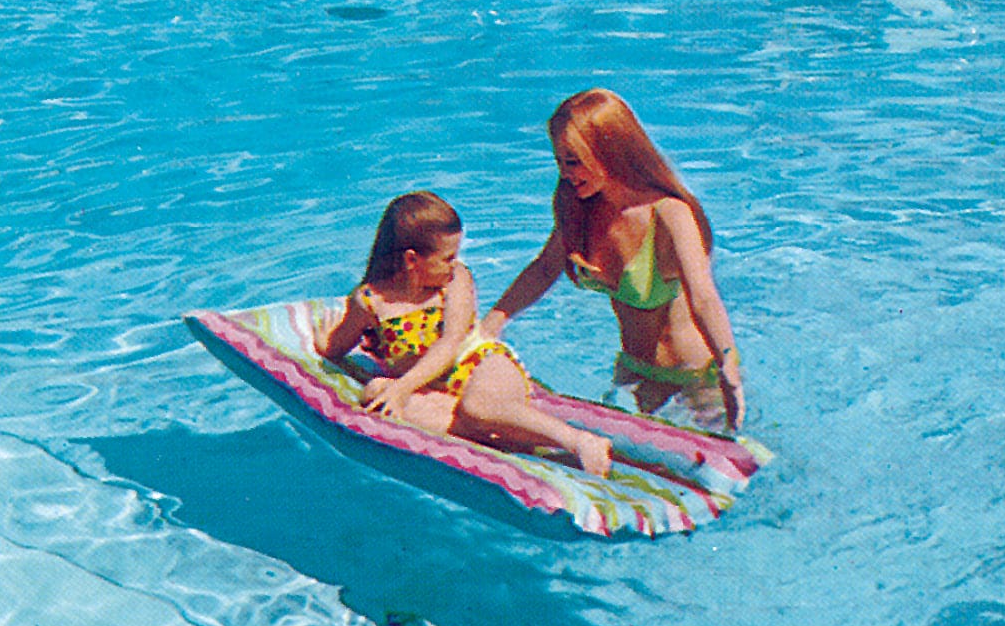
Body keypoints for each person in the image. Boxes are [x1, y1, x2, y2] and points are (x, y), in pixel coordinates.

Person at [480, 90, 746, 429]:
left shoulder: (669, 215)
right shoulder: (579, 207)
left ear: (610, 151)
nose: (565, 173)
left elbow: (704, 297)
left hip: (694, 379)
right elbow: (544, 269)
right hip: (633, 373)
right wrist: (489, 326)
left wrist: (729, 369)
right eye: (559, 161)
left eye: (574, 161)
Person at [315, 191, 612, 476]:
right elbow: (335, 346)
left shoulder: (455, 280)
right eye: (447, 257)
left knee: (476, 406)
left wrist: (403, 387)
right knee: (377, 394)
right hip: (435, 392)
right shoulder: (370, 302)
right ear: (411, 260)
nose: (454, 262)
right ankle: (507, 439)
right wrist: (323, 334)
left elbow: (451, 342)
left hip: (482, 365)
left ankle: (578, 440)